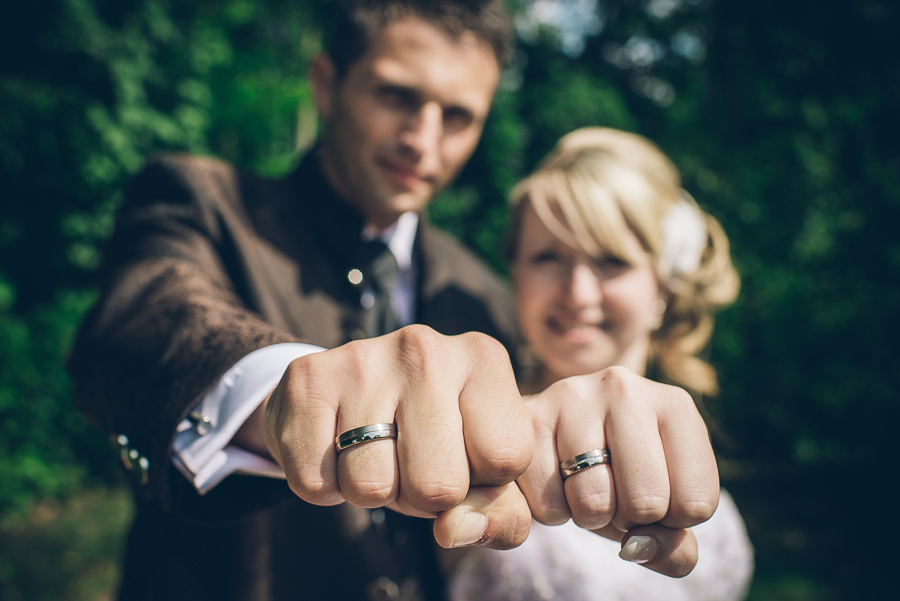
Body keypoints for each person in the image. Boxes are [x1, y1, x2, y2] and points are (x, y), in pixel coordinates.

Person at [68, 3, 720, 599]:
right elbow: (147, 325)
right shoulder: (203, 201)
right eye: (396, 96)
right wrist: (285, 394)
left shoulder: (484, 294)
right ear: (326, 85)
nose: (422, 138)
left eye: (458, 116)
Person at [447, 127, 753, 600]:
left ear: (663, 287)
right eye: (548, 256)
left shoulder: (709, 495)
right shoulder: (467, 439)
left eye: (611, 260)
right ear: (515, 273)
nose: (578, 293)